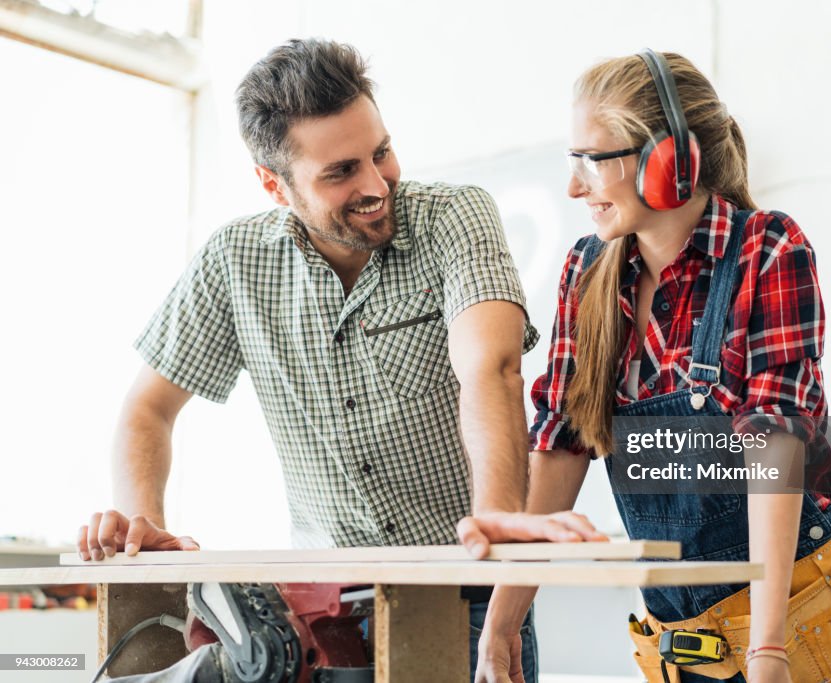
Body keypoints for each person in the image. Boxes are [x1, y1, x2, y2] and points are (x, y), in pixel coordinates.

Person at [73, 38, 596, 683]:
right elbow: (147, 409)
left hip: (463, 597)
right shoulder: (236, 261)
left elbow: (488, 369)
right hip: (320, 620)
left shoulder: (454, 218)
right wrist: (145, 524)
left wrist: (492, 528)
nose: (377, 185)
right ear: (275, 185)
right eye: (341, 172)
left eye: (381, 152)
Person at [463, 51, 831, 683]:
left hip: (804, 621)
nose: (575, 187)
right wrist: (501, 623)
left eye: (594, 159)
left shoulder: (766, 250)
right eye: (573, 160)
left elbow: (776, 450)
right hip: (685, 644)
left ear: (671, 162)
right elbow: (560, 446)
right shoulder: (587, 273)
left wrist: (769, 648)